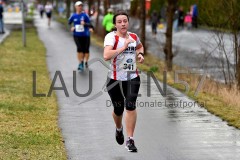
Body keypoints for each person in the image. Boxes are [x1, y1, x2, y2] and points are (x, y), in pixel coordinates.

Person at [103, 11, 144, 152]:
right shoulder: (111, 37)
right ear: (115, 24)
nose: (122, 24)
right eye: (119, 21)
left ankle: (130, 139)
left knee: (130, 106)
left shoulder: (133, 36)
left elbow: (139, 47)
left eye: (125, 21)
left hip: (132, 77)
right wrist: (124, 47)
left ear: (128, 22)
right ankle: (119, 129)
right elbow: (106, 55)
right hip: (115, 80)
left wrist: (140, 55)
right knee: (118, 109)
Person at [68, 1, 94, 71]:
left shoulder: (85, 15)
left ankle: (86, 62)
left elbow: (90, 25)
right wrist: (71, 27)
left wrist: (85, 24)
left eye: (81, 6)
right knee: (79, 48)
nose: (80, 7)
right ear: (75, 7)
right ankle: (81, 62)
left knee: (86, 50)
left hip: (86, 35)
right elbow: (69, 23)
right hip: (77, 35)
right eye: (79, 6)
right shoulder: (73, 15)